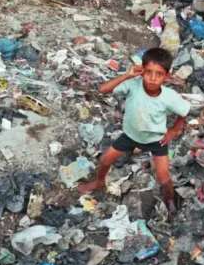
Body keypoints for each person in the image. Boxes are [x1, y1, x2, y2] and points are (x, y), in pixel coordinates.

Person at [78, 48, 190, 218]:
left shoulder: (169, 96)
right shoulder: (132, 85)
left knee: (163, 177)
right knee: (105, 159)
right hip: (130, 136)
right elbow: (102, 89)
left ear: (167, 76)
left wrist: (174, 130)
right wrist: (127, 75)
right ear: (141, 70)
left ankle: (170, 199)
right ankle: (99, 182)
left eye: (159, 74)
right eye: (149, 72)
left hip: (155, 139)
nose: (152, 78)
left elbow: (184, 111)